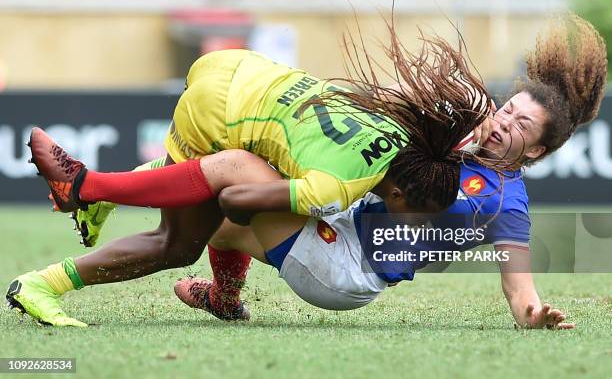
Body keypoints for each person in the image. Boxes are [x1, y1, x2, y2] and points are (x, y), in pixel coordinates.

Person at [6, 20, 493, 327]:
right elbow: (235, 199)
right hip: (220, 117)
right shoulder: (334, 188)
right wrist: (257, 197)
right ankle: (84, 196)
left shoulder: (397, 134)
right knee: (181, 241)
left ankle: (218, 292)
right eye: (419, 215)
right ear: (403, 195)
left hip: (233, 69)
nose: (417, 225)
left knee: (240, 185)